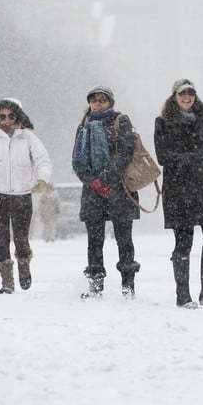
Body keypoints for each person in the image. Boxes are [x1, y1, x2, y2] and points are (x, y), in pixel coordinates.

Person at [154, 79, 203, 309]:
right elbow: (163, 157)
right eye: (183, 94)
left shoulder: (201, 120)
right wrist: (193, 157)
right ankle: (183, 296)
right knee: (184, 241)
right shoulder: (163, 122)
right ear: (174, 97)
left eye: (191, 94)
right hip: (178, 189)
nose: (187, 98)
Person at [0, 98, 52, 294]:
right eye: (2, 117)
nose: (6, 120)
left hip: (22, 197)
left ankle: (24, 265)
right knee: (2, 239)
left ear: (18, 116)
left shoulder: (29, 139)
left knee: (21, 238)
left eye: (10, 116)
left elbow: (43, 161)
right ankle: (7, 281)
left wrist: (42, 180)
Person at [72, 86, 141, 299]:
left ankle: (128, 285)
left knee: (124, 239)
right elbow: (77, 160)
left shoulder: (121, 121)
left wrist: (107, 176)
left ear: (110, 102)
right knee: (94, 241)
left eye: (102, 100)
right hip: (93, 193)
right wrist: (93, 181)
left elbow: (126, 151)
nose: (98, 103)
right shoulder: (83, 126)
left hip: (119, 189)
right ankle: (95, 285)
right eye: (94, 100)